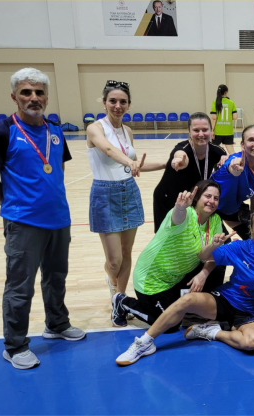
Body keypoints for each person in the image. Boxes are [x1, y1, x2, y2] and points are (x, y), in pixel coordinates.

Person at [0, 67, 85, 369]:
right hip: (24, 223)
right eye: (26, 92)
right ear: (14, 97)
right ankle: (14, 346)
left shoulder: (55, 131)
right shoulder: (2, 132)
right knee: (20, 286)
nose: (33, 98)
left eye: (39, 92)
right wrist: (12, 205)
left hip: (59, 219)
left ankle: (57, 324)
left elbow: (57, 170)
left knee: (56, 277)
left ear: (47, 97)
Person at [115, 210, 254, 365]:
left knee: (252, 343)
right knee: (187, 300)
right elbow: (204, 256)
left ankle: (212, 332)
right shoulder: (240, 247)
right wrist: (214, 244)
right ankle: (144, 342)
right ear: (251, 230)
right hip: (225, 300)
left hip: (249, 312)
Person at [86, 80, 166, 326]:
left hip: (128, 191)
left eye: (123, 101)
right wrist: (129, 163)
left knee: (126, 252)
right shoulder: (95, 128)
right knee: (114, 261)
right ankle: (113, 287)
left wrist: (167, 163)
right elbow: (109, 150)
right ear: (104, 103)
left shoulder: (127, 131)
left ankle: (119, 301)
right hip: (105, 194)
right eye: (112, 101)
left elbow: (136, 165)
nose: (117, 105)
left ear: (129, 104)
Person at [113, 181, 224, 329]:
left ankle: (193, 308)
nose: (212, 201)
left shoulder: (215, 220)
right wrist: (180, 207)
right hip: (152, 281)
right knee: (170, 325)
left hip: (175, 280)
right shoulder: (187, 214)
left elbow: (210, 255)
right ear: (197, 198)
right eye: (207, 196)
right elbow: (177, 217)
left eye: (216, 198)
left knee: (220, 262)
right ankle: (123, 302)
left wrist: (203, 274)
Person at [152, 112, 227, 232]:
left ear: (211, 130)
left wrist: (227, 160)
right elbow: (181, 155)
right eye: (196, 130)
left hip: (193, 200)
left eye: (205, 130)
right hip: (169, 198)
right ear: (189, 132)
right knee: (169, 237)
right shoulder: (182, 148)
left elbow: (228, 165)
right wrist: (180, 160)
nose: (201, 134)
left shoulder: (217, 152)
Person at [212, 125, 254, 239]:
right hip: (213, 209)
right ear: (242, 144)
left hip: (233, 209)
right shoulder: (235, 161)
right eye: (251, 140)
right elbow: (231, 167)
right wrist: (234, 169)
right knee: (221, 245)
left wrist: (253, 212)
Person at [210, 84, 238, 154]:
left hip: (217, 131)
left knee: (213, 152)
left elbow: (213, 118)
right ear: (226, 92)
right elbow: (235, 117)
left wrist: (212, 130)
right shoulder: (231, 102)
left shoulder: (215, 102)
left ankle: (216, 162)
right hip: (228, 131)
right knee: (231, 152)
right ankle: (236, 161)